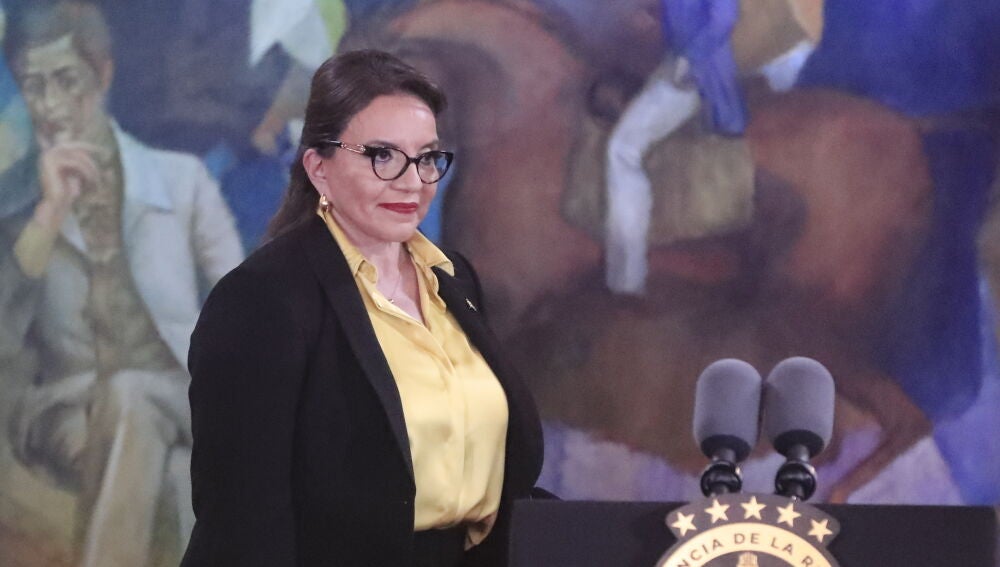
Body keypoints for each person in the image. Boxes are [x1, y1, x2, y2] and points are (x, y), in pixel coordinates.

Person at [181, 49, 545, 566]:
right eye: (382, 155)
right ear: (319, 168)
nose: (412, 181)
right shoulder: (261, 300)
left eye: (427, 157)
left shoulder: (454, 278)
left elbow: (499, 476)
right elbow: (243, 520)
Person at [0, 2, 244, 566]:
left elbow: (244, 303)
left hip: (186, 395)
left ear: (103, 75)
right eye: (34, 87)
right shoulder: (14, 203)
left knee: (150, 418)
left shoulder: (181, 180)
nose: (52, 106)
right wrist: (47, 216)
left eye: (67, 81)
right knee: (157, 440)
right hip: (68, 409)